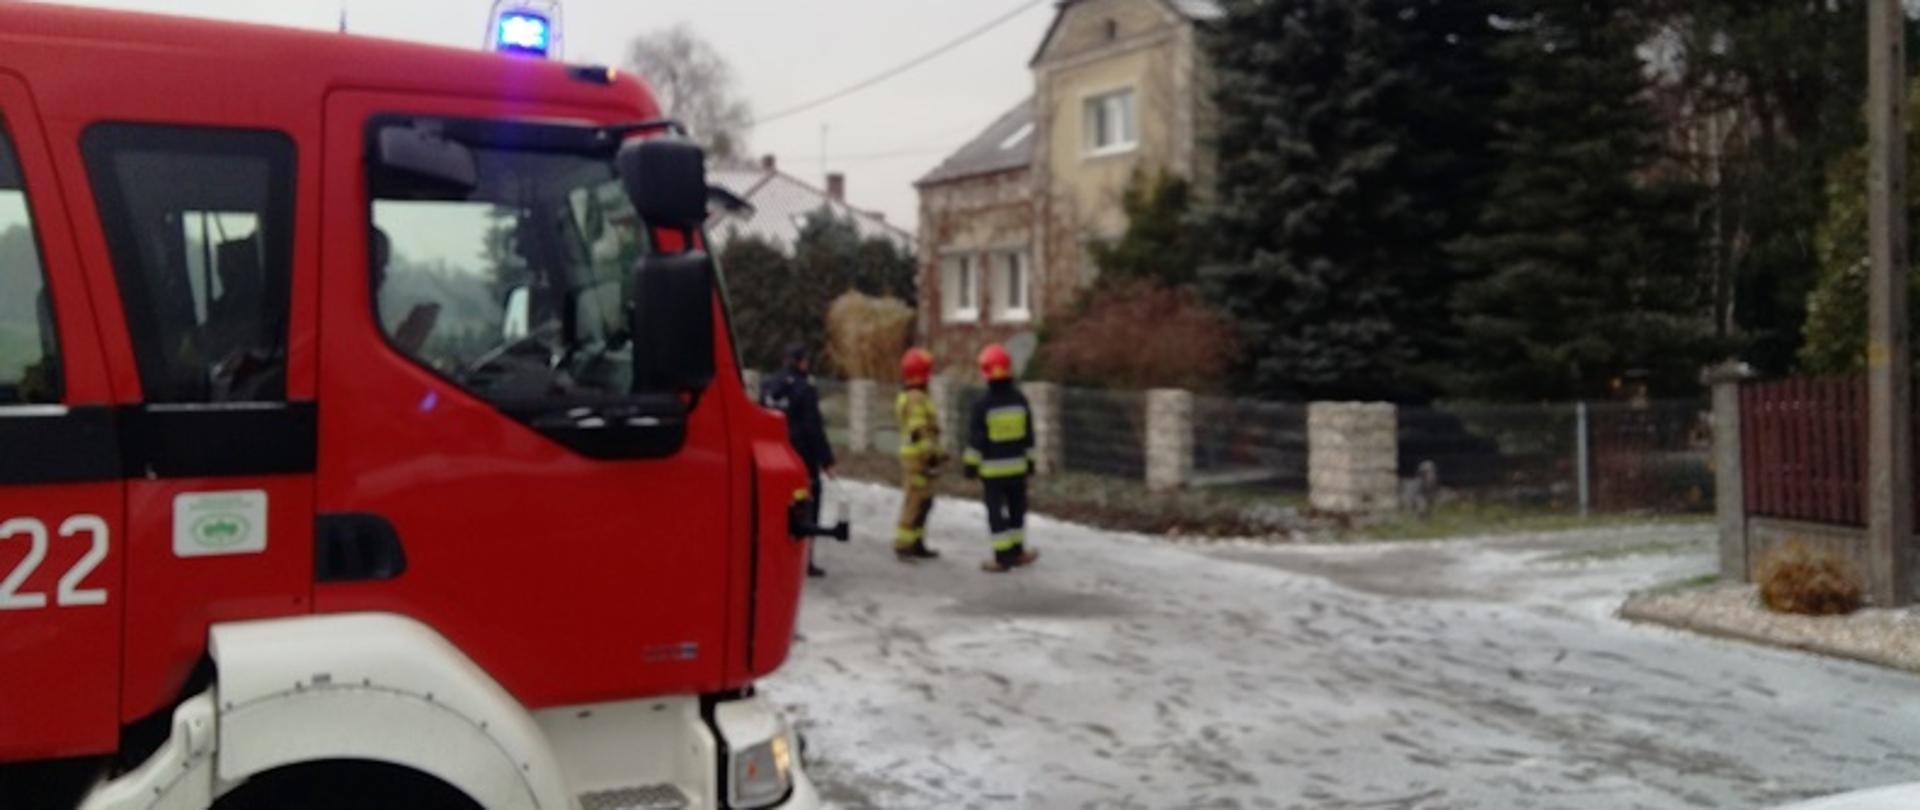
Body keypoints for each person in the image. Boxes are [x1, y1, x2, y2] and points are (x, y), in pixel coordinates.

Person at [762, 343, 839, 577]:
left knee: (775, 506)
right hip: (801, 458)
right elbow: (812, 428)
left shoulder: (767, 386)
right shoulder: (805, 389)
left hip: (773, 456)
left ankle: (772, 556)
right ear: (800, 361)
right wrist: (826, 461)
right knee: (806, 506)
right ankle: (803, 559)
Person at [963, 344, 1040, 573]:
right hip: (1017, 470)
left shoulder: (982, 405)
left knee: (997, 514)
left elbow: (977, 440)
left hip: (993, 473)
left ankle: (1002, 557)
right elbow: (1029, 436)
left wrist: (970, 466)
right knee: (1017, 511)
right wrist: (1030, 462)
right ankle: (1017, 551)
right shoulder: (1020, 400)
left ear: (985, 372)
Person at [894, 348, 944, 563]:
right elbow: (919, 429)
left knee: (925, 501)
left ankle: (917, 542)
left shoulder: (917, 396)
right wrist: (930, 454)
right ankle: (903, 545)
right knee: (914, 501)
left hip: (920, 457)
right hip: (917, 459)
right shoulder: (915, 398)